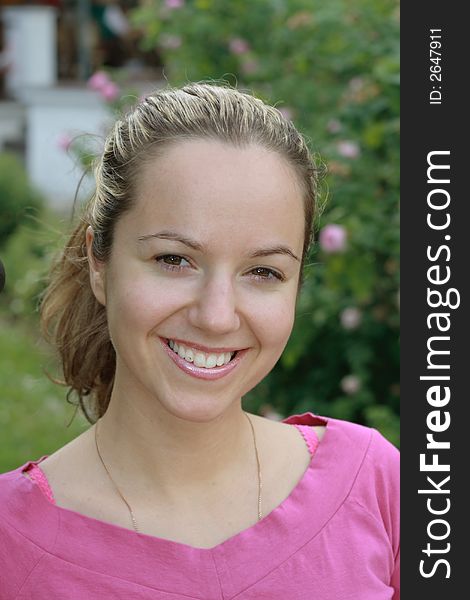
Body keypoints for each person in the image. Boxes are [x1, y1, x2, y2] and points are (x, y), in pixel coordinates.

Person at [0, 83, 399, 598]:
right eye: (174, 260)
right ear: (100, 263)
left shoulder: (378, 486)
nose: (216, 316)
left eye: (262, 271)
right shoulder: (10, 543)